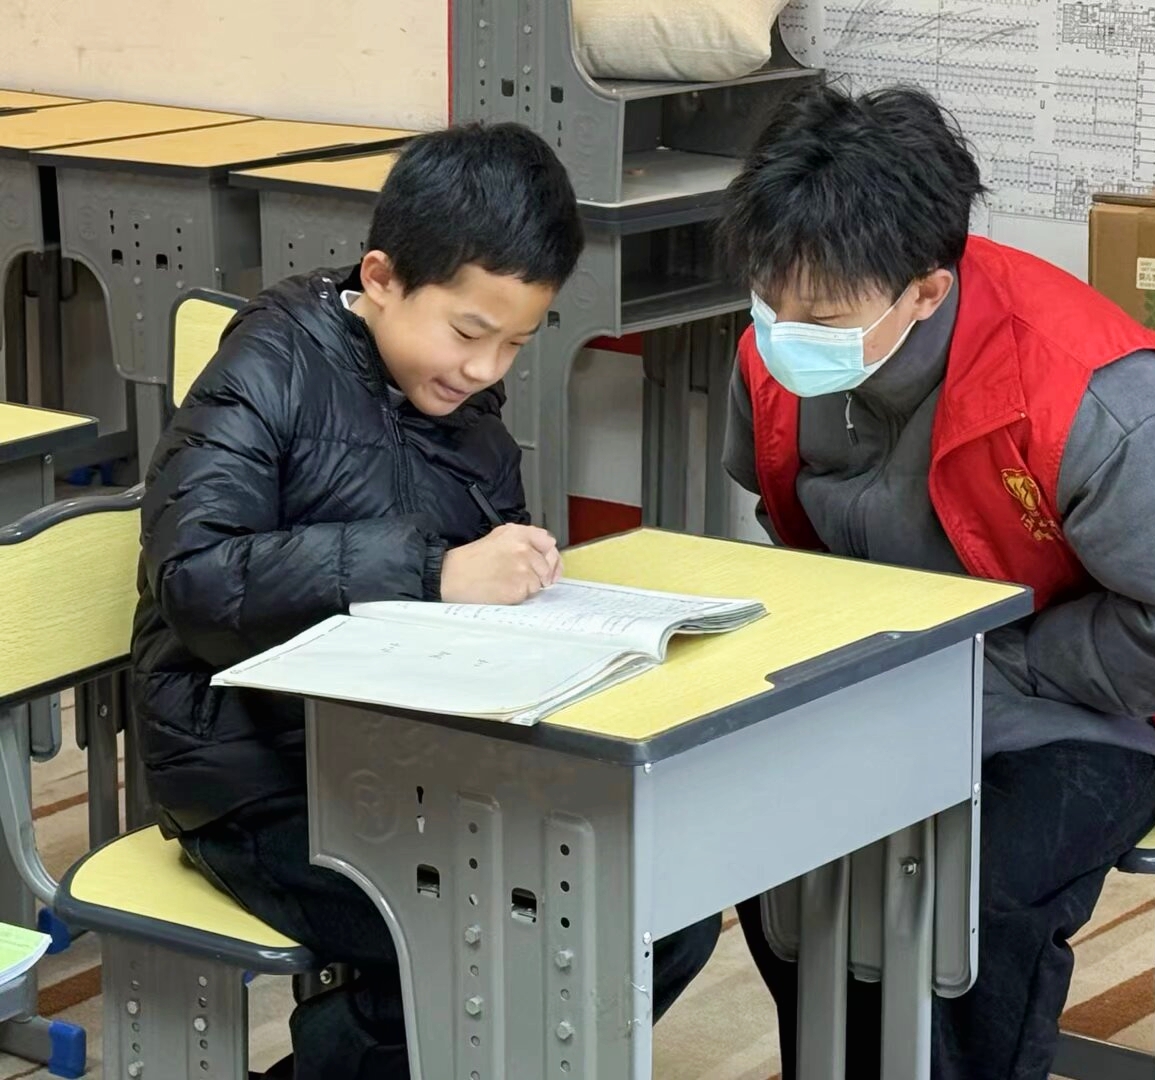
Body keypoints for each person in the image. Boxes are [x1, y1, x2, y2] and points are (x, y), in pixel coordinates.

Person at [719, 83, 1155, 1079]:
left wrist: (1016, 669)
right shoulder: (783, 353)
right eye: (769, 302)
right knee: (776, 862)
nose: (783, 332)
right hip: (899, 677)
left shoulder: (1091, 391)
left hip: (1103, 706)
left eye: (819, 315)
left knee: (972, 903)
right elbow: (786, 522)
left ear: (926, 291)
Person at [130, 123, 721, 1079]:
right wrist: (432, 573)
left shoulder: (460, 403)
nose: (487, 369)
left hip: (417, 762)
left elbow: (476, 584)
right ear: (382, 277)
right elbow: (195, 577)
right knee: (510, 926)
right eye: (469, 333)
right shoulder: (271, 365)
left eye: (516, 343)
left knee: (663, 910)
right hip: (258, 777)